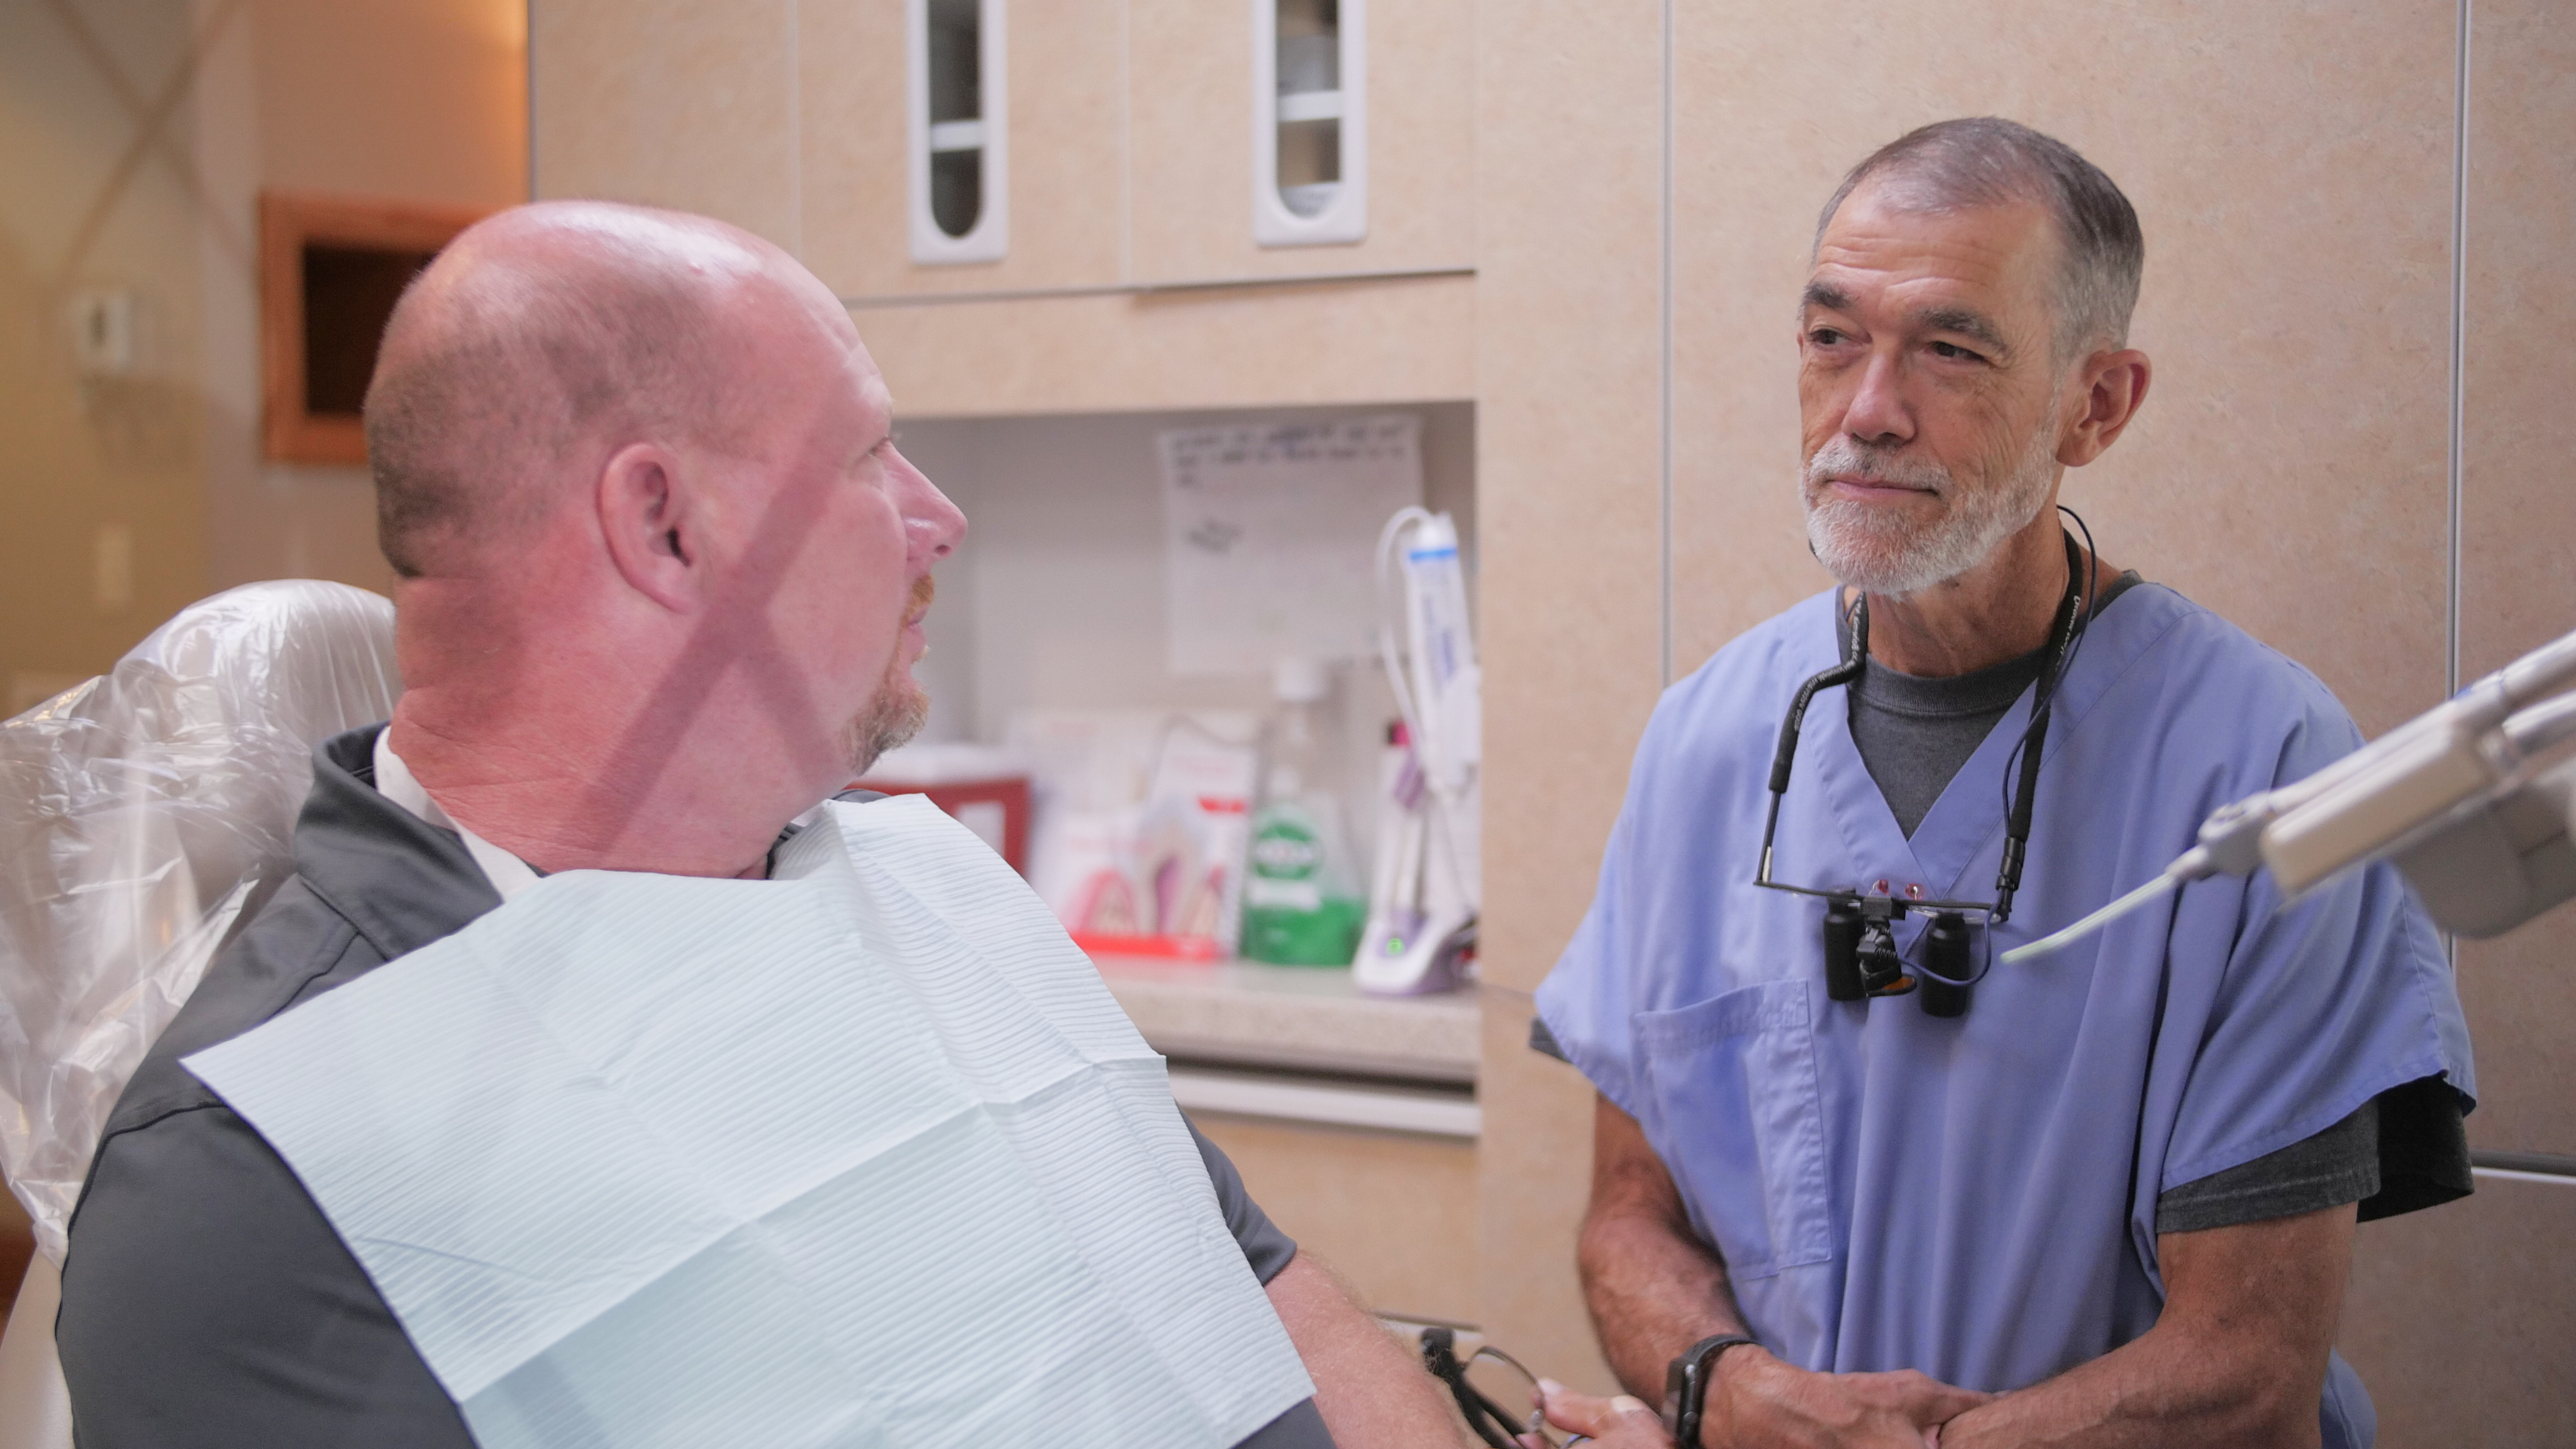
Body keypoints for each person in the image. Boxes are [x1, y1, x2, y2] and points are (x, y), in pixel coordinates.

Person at [54, 201, 1463, 1448]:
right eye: (867, 455)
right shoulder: (261, 1174)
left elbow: (1263, 1295)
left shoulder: (929, 888)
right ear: (663, 526)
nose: (937, 517)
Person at [1526, 119, 2473, 1449]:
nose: (1866, 410)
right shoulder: (1706, 743)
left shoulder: (2265, 765)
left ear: (2096, 404)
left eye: (1949, 350)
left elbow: (2242, 1370)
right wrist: (1726, 1393)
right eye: (1829, 339)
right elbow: (1628, 1221)